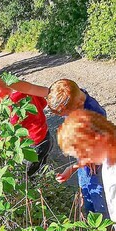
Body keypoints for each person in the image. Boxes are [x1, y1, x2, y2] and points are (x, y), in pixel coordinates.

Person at [47, 79, 108, 217]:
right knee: (87, 198)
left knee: (100, 204)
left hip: (95, 167)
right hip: (85, 164)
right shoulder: (77, 98)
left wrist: (72, 168)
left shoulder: (93, 117)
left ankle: (104, 228)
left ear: (78, 105)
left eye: (65, 114)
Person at [0, 71, 52, 177]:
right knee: (40, 166)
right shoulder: (24, 91)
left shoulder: (13, 105)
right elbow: (43, 103)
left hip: (35, 145)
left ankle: (41, 183)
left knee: (27, 175)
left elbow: (12, 135)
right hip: (46, 136)